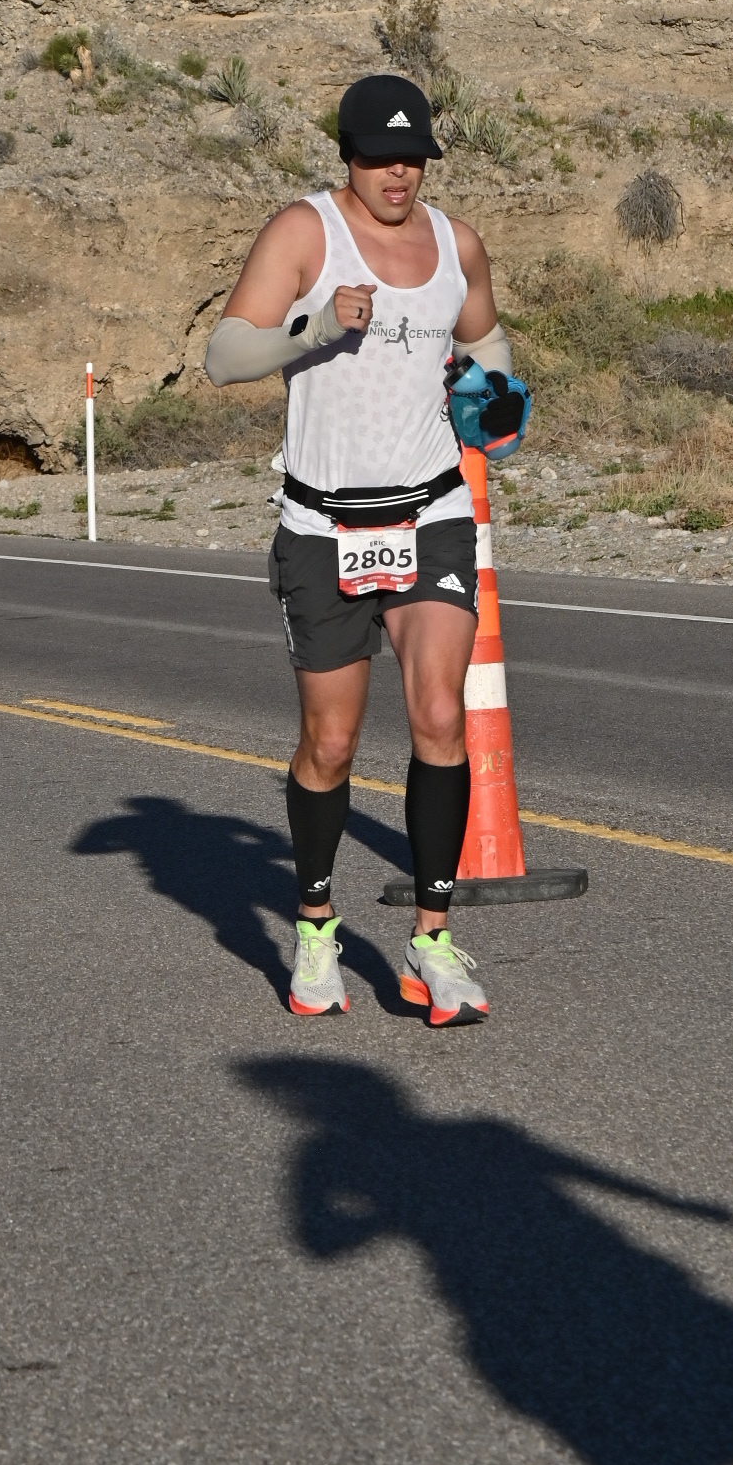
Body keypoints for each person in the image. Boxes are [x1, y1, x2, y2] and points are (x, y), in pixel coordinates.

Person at [204, 72, 528, 1028]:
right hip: (324, 525)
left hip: (431, 512)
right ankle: (315, 928)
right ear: (347, 154)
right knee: (331, 743)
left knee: (439, 715)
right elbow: (225, 356)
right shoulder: (304, 234)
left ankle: (432, 941)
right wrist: (311, 329)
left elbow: (488, 345)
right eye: (381, 157)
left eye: (413, 157)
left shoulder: (456, 244)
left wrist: (493, 398)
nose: (399, 174)